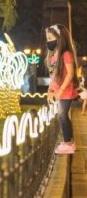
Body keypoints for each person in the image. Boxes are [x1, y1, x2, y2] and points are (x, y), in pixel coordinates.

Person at [46, 24, 79, 154]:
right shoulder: (54, 56)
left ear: (59, 38)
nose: (48, 42)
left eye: (50, 38)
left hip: (66, 92)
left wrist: (60, 90)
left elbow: (70, 74)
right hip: (59, 92)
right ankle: (69, 141)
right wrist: (50, 91)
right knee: (62, 116)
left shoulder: (66, 54)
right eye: (47, 39)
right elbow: (53, 77)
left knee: (62, 115)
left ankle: (68, 144)